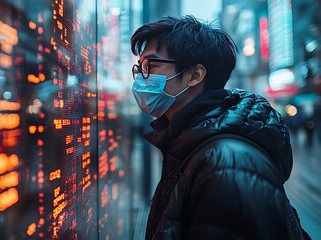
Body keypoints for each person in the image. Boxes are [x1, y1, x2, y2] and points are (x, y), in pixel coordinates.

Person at [130, 15, 311, 240]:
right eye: (139, 67)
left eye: (151, 65)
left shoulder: (227, 163)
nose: (140, 78)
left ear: (194, 75)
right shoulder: (191, 144)